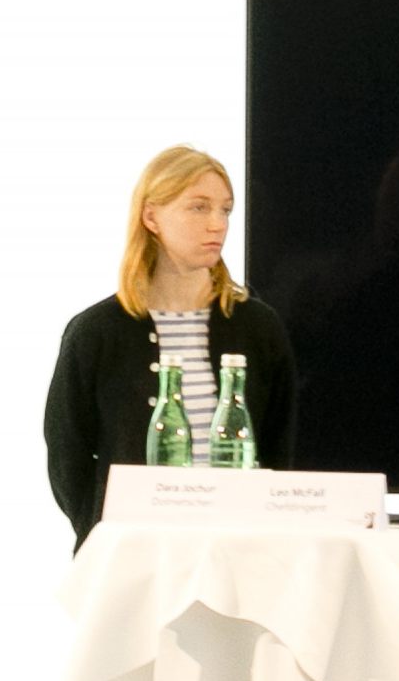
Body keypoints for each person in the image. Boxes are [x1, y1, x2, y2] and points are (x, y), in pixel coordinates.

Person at [42, 145, 301, 543]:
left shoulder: (257, 327)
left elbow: (281, 445)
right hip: (137, 556)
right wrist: (103, 533)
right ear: (151, 217)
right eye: (199, 207)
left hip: (240, 550)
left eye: (225, 210)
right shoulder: (96, 333)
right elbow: (67, 457)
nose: (217, 224)